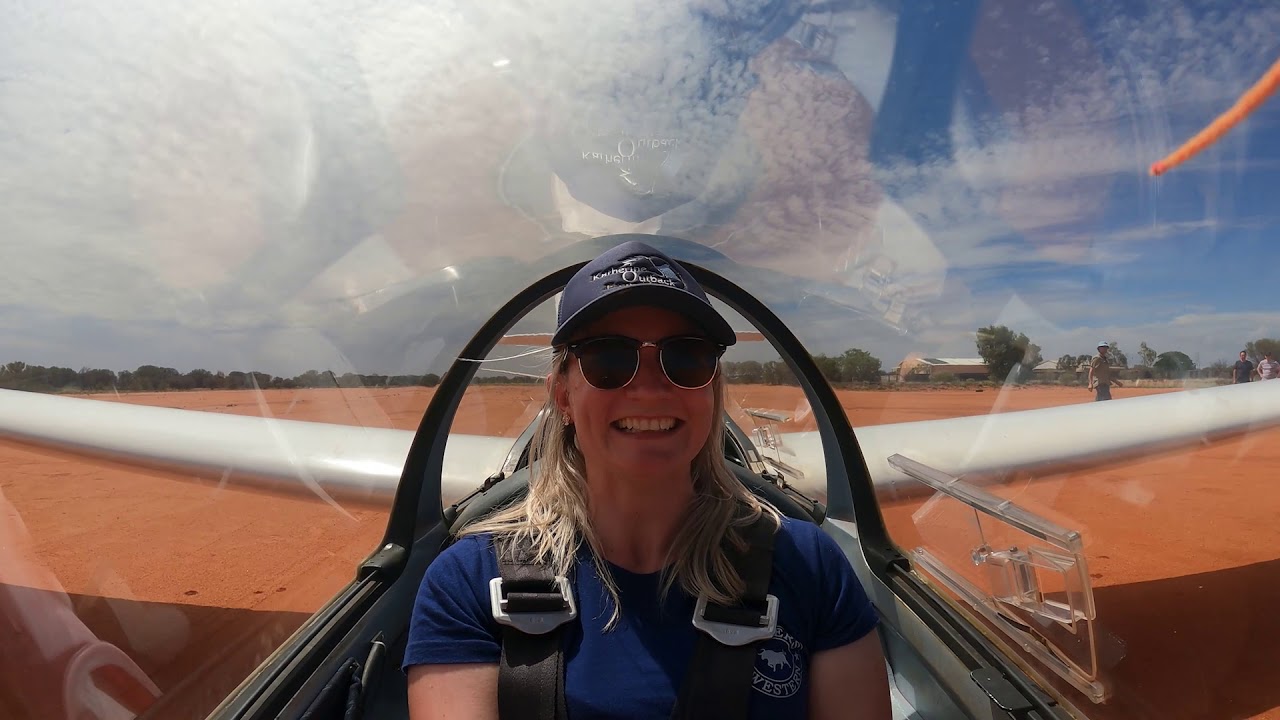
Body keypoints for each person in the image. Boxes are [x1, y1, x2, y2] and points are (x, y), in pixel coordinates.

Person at [403, 240, 892, 719]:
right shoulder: (466, 582)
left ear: (712, 391)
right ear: (563, 396)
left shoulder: (809, 567)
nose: (652, 387)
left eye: (687, 357)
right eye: (608, 357)